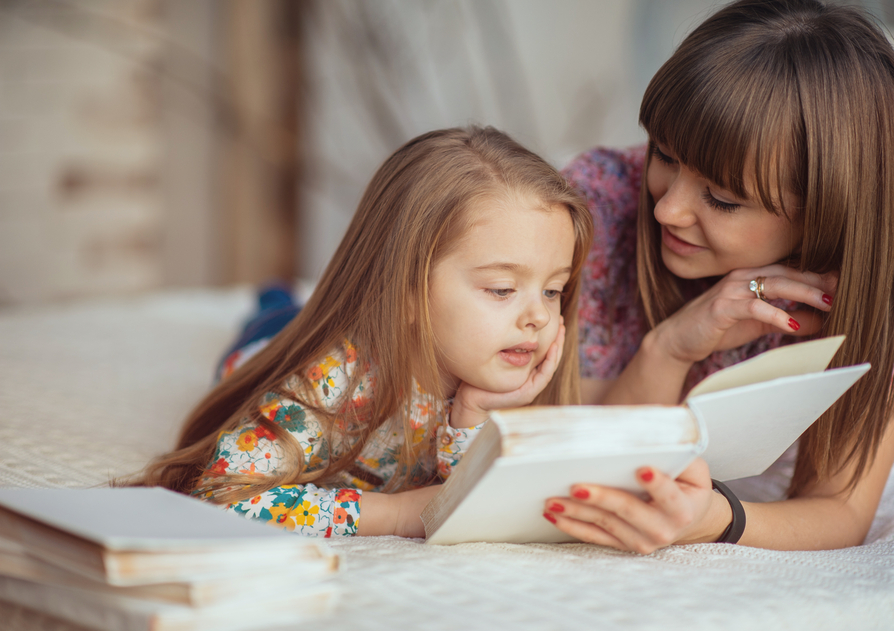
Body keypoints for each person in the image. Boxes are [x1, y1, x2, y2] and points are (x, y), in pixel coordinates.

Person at [544, 0, 894, 552]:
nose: (666, 209)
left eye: (722, 198)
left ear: (827, 212)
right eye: (665, 155)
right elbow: (576, 459)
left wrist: (716, 519)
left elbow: (841, 507)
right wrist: (671, 347)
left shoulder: (884, 254)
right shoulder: (598, 205)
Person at [137, 126, 593, 538]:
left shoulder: (499, 366)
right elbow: (221, 498)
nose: (538, 316)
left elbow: (467, 500)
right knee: (276, 317)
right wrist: (394, 514)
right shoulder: (328, 383)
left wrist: (473, 415)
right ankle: (271, 299)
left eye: (553, 290)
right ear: (408, 292)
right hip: (273, 343)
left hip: (378, 327)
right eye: (502, 289)